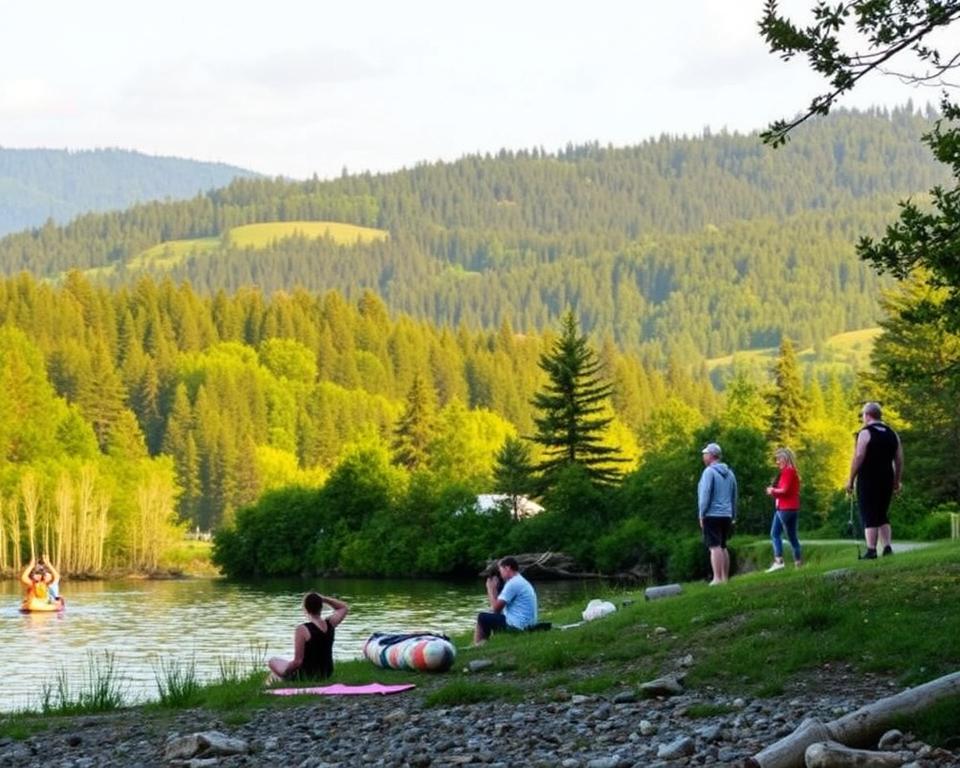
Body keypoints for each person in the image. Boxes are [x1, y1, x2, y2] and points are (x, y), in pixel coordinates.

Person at [845, 401, 903, 559]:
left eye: (863, 414)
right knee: (882, 513)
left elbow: (859, 456)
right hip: (887, 477)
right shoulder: (892, 433)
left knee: (869, 513)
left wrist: (851, 479)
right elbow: (899, 460)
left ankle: (871, 550)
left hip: (868, 478)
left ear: (868, 415)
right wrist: (896, 481)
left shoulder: (865, 432)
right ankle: (887, 547)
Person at [267, 592, 349, 682]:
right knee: (278, 668)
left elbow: (298, 662)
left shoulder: (302, 629)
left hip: (306, 675)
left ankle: (281, 680)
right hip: (326, 673)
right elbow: (343, 607)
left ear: (305, 609)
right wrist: (324, 599)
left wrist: (286, 672)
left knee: (273, 661)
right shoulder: (330, 624)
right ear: (321, 607)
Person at [473, 556, 538, 645]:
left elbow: (495, 610)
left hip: (518, 627)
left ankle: (479, 645)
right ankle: (479, 643)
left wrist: (490, 589)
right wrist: (495, 591)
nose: (500, 573)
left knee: (481, 617)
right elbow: (497, 609)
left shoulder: (512, 584)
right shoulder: (519, 580)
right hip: (527, 625)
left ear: (507, 568)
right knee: (488, 615)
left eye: (501, 570)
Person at [698, 442, 738, 585]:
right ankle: (725, 578)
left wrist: (701, 514)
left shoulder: (709, 472)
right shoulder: (730, 473)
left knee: (714, 547)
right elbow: (734, 496)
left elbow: (705, 495)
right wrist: (733, 515)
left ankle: (717, 578)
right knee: (723, 546)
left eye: (705, 454)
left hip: (712, 515)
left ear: (711, 456)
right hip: (726, 515)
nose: (703, 456)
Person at [765, 448, 802, 571]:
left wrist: (772, 490)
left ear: (785, 459)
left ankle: (779, 561)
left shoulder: (787, 471)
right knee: (792, 537)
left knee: (775, 533)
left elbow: (784, 490)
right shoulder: (793, 472)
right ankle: (798, 564)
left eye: (778, 459)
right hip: (793, 508)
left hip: (785, 508)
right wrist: (774, 492)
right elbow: (788, 491)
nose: (777, 462)